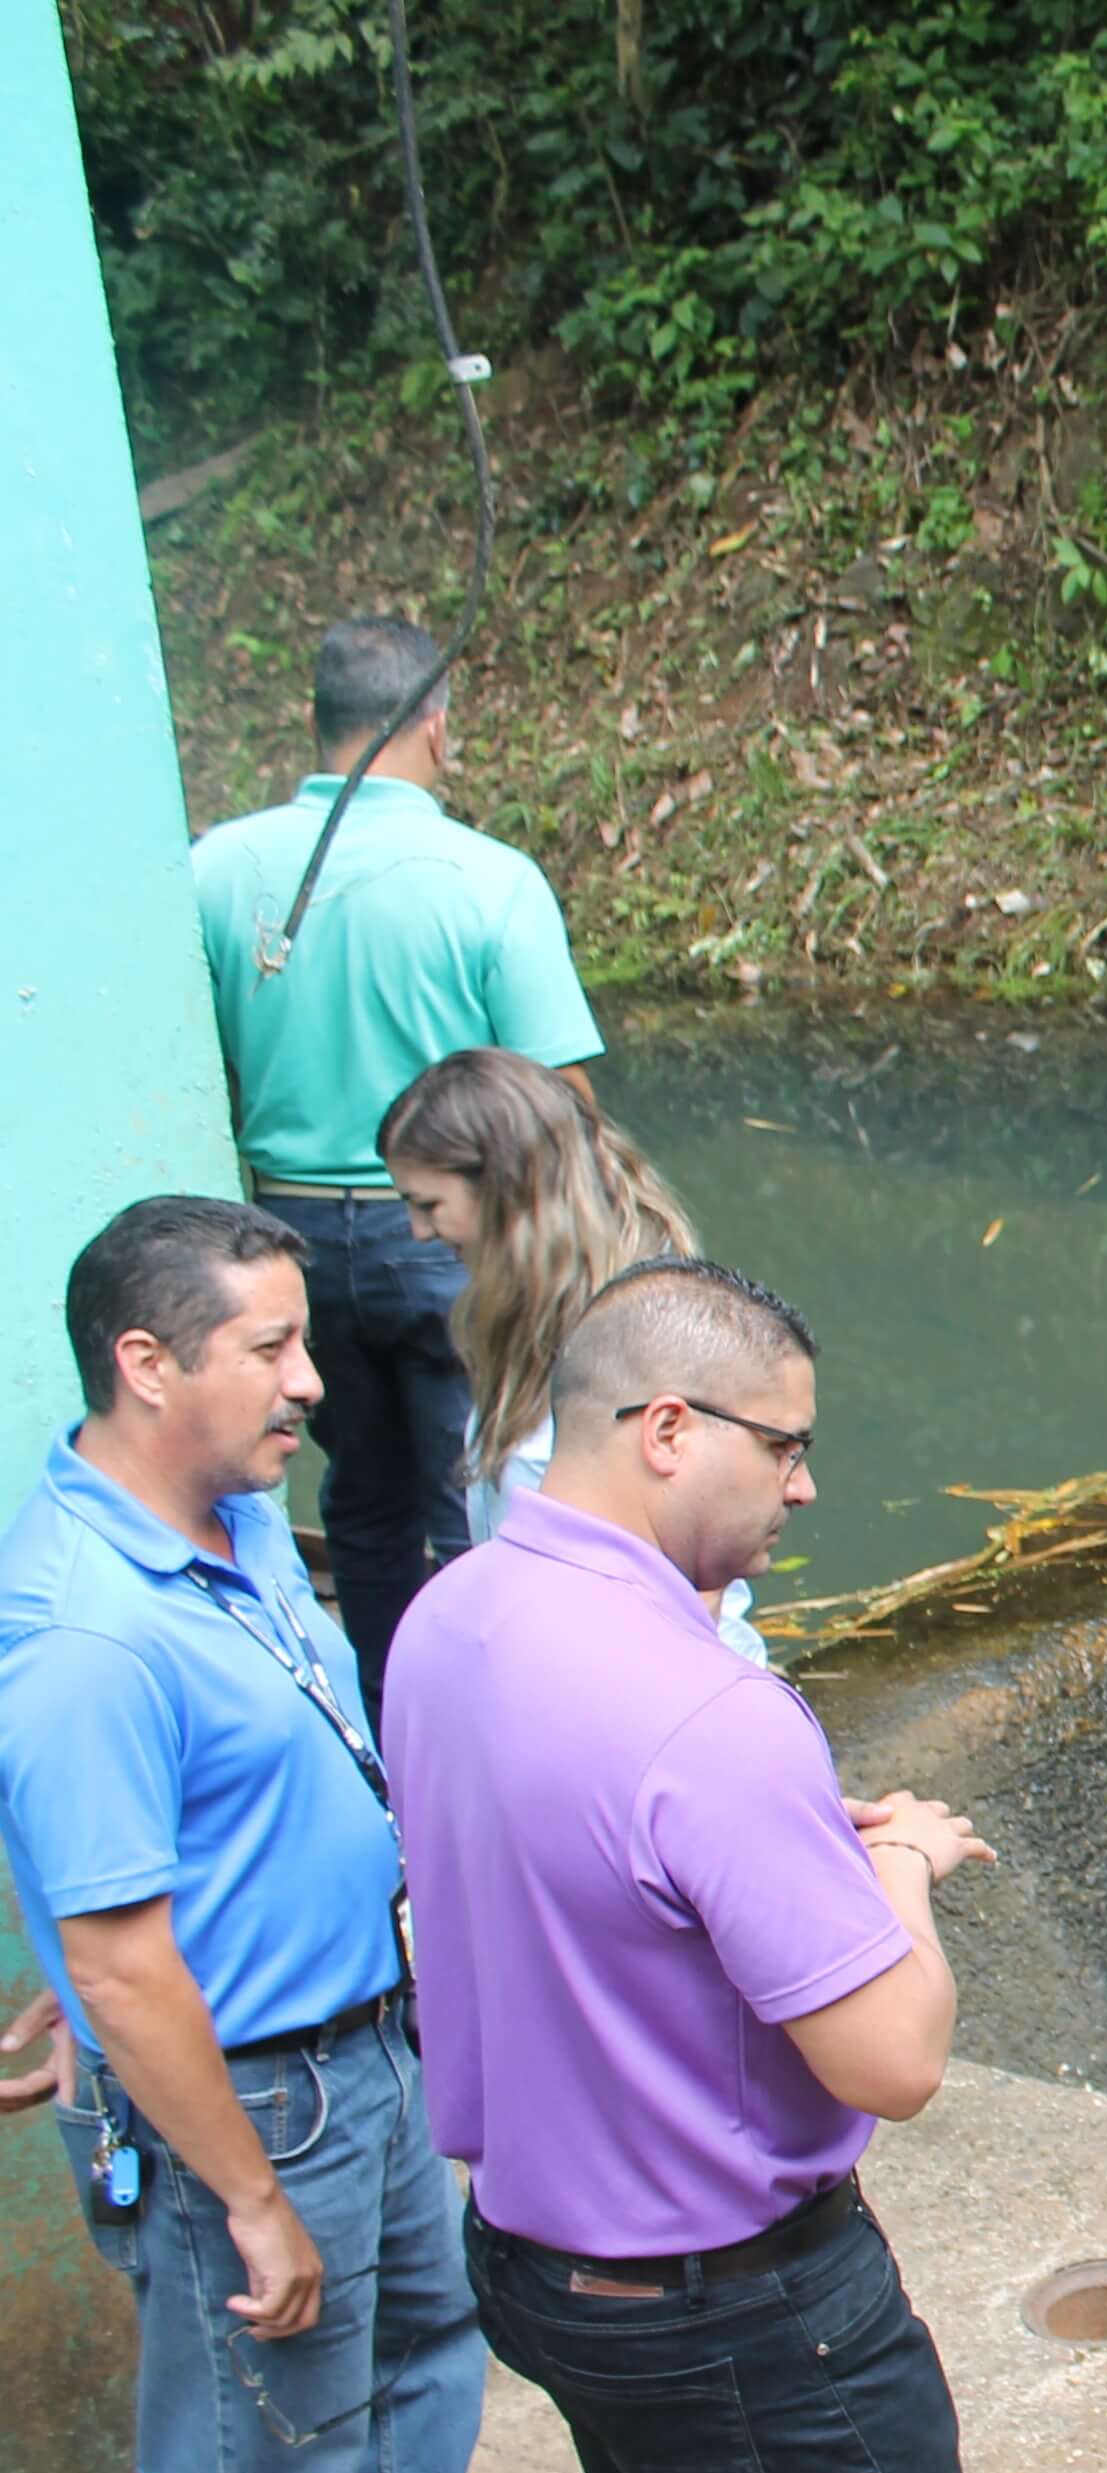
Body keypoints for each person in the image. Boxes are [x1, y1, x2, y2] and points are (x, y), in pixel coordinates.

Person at [385, 1257, 1023, 2473]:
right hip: (743, 2314)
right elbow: (891, 2061)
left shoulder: (448, 1617)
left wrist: (786, 1848)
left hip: (543, 2266)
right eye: (785, 1446)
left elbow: (578, 1881)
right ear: (668, 1428)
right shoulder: (706, 1713)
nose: (805, 1488)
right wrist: (898, 1868)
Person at [0, 1196, 605, 2473]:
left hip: (365, 2038)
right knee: (255, 2443)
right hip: (254, 2103)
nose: (313, 1381)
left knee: (421, 2336)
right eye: (270, 1347)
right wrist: (248, 2195)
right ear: (147, 1363)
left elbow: (192, 1825)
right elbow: (129, 1964)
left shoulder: (233, 1515)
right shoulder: (81, 1633)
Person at [196, 617, 605, 1716]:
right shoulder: (490, 878)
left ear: (318, 722)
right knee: (481, 1492)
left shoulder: (216, 868)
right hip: (451, 1232)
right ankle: (494, 1721)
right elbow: (561, 1103)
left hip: (283, 1245)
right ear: (434, 725)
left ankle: (388, 1725)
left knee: (362, 1504)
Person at [377, 1047, 763, 1661]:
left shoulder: (638, 1329)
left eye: (429, 1205)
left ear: (504, 1190)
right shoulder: (526, 1316)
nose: (417, 1231)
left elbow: (696, 1571)